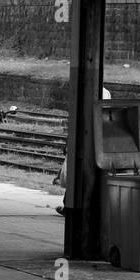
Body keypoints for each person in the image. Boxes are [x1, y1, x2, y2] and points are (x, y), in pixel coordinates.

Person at [55, 86, 111, 216]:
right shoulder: (106, 92)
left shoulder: (83, 91)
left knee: (76, 173)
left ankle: (70, 205)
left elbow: (76, 116)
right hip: (97, 138)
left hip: (83, 137)